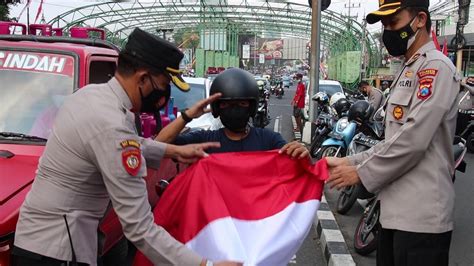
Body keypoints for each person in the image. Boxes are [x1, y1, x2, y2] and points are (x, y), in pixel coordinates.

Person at [12, 28, 239, 266]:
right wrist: (207, 265)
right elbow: (139, 227)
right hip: (57, 254)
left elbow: (107, 142)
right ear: (142, 78)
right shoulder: (112, 124)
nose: (163, 95)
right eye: (163, 85)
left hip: (35, 243)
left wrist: (173, 150)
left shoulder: (89, 96)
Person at [326, 1, 460, 265]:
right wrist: (349, 161)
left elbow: (412, 142)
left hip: (422, 223)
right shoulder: (409, 69)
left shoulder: (436, 69)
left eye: (393, 22)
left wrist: (360, 173)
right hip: (393, 215)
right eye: (385, 25)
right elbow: (393, 141)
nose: (388, 31)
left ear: (420, 20)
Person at [156, 68, 309, 159]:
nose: (234, 110)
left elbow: (295, 167)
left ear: (251, 107)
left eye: (241, 104)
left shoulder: (269, 141)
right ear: (217, 108)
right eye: (226, 104)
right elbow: (158, 146)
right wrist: (187, 116)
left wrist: (302, 155)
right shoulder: (205, 141)